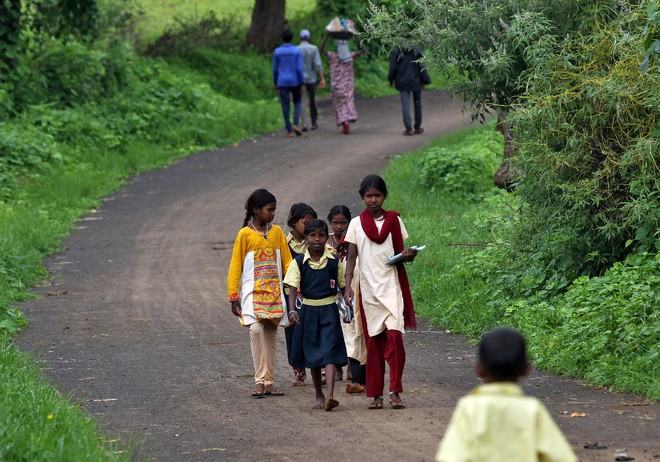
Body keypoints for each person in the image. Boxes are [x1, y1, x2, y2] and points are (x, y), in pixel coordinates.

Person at [436, 327, 578, 462]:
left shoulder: (469, 408)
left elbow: (451, 457)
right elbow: (561, 457)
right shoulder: (533, 410)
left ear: (479, 369)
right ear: (526, 369)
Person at [343, 174, 419, 409]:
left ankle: (395, 391)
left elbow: (400, 253)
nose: (373, 200)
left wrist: (409, 255)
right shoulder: (356, 224)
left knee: (395, 340)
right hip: (368, 290)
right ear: (362, 198)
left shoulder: (395, 220)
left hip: (391, 286)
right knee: (373, 344)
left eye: (377, 195)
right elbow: (351, 258)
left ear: (384, 196)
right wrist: (348, 286)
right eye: (369, 196)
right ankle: (376, 395)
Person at [227, 189, 292, 398]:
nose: (273, 214)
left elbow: (288, 262)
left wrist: (294, 288)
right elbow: (236, 266)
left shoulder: (277, 233)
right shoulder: (244, 234)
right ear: (256, 210)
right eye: (269, 210)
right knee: (255, 331)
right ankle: (259, 380)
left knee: (270, 336)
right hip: (252, 294)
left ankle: (269, 382)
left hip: (273, 295)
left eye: (274, 210)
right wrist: (233, 296)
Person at [284, 219, 348, 411]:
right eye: (312, 235)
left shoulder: (334, 261)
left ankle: (329, 396)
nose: (317, 239)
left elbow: (344, 287)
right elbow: (292, 287)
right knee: (312, 355)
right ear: (305, 239)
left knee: (328, 352)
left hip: (329, 310)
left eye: (321, 235)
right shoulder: (298, 263)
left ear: (326, 237)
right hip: (308, 312)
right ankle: (319, 395)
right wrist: (293, 310)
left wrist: (348, 306)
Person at [327, 205, 366, 393]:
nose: (340, 226)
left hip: (349, 288)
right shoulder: (325, 240)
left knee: (350, 326)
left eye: (343, 222)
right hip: (329, 291)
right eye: (335, 223)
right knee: (335, 330)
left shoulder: (354, 239)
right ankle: (337, 366)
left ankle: (353, 365)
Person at [284, 203, 318, 387]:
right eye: (306, 223)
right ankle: (298, 368)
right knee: (293, 331)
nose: (310, 227)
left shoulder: (314, 241)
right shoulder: (283, 242)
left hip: (312, 291)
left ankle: (317, 365)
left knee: (313, 328)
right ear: (294, 222)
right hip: (291, 293)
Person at [319, 31, 366, 135]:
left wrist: (326, 36)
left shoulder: (333, 56)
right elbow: (363, 50)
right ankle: (347, 120)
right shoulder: (351, 56)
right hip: (348, 85)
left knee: (339, 104)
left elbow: (321, 49)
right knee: (348, 102)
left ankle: (344, 122)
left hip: (336, 85)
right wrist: (356, 36)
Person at [388, 47, 431, 136]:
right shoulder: (416, 49)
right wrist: (425, 79)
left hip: (402, 80)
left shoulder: (397, 49)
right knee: (417, 102)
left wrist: (390, 79)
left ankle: (408, 128)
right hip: (416, 80)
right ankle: (417, 127)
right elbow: (421, 65)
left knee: (405, 104)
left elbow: (393, 66)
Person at [273, 29, 305, 138]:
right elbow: (299, 69)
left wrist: (275, 82)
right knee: (297, 101)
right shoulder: (296, 51)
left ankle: (289, 130)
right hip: (295, 80)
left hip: (282, 81)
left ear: (282, 39)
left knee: (285, 105)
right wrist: (302, 83)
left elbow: (275, 69)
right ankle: (295, 124)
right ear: (291, 38)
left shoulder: (277, 51)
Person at [298, 29, 326, 131]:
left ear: (300, 38)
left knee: (302, 101)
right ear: (309, 38)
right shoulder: (314, 48)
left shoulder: (297, 49)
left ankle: (304, 124)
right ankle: (314, 123)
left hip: (300, 79)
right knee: (313, 100)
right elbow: (318, 64)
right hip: (312, 78)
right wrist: (322, 78)